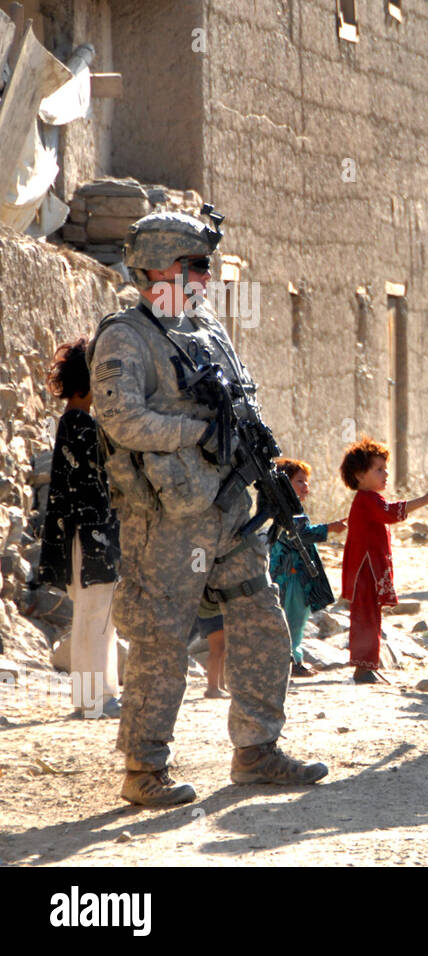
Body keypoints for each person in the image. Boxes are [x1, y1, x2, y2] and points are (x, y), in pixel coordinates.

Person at [90, 209, 327, 806]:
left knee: (263, 623)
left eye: (205, 265)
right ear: (153, 269)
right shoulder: (126, 336)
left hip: (228, 509)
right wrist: (193, 433)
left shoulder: (208, 330)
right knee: (162, 639)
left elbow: (243, 405)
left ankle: (257, 751)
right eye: (192, 265)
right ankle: (144, 771)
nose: (203, 276)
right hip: (168, 519)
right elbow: (120, 418)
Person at [37, 338, 121, 719]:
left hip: (84, 535)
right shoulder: (82, 424)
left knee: (94, 616)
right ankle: (96, 699)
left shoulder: (75, 421)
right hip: (90, 537)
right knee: (95, 616)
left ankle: (95, 697)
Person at [338, 437, 428, 684]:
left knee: (370, 615)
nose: (385, 474)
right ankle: (363, 669)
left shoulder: (369, 499)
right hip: (366, 570)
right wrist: (424, 500)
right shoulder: (367, 500)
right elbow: (391, 513)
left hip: (369, 569)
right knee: (365, 616)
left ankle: (367, 666)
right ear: (359, 475)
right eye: (379, 469)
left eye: (385, 469)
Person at [270, 458, 346, 678]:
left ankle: (292, 660)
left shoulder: (287, 510)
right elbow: (300, 535)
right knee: (292, 619)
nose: (306, 487)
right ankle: (291, 662)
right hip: (291, 577)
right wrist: (329, 528)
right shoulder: (285, 512)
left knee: (295, 620)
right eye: (299, 481)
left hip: (293, 576)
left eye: (306, 482)